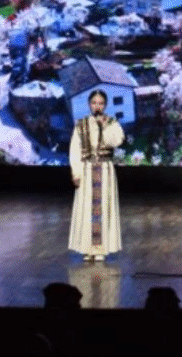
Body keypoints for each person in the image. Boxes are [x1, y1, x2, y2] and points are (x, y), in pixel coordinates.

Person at [68, 89, 125, 261]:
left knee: (103, 208)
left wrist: (105, 126)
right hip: (87, 170)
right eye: (94, 103)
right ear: (89, 104)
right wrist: (76, 172)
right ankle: (87, 248)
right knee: (86, 209)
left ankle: (100, 248)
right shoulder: (81, 124)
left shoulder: (112, 123)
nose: (97, 106)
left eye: (100, 103)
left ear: (105, 105)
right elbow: (75, 149)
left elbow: (117, 141)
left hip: (105, 171)